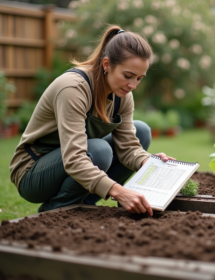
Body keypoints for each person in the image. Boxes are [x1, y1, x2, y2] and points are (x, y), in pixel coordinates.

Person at [9, 25, 175, 216]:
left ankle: (84, 203)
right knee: (99, 150)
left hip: (72, 159)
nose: (133, 85)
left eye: (139, 78)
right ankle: (56, 209)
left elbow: (128, 147)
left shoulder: (123, 94)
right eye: (128, 76)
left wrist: (150, 162)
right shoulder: (73, 88)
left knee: (142, 130)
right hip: (33, 172)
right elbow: (75, 158)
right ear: (107, 65)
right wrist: (118, 191)